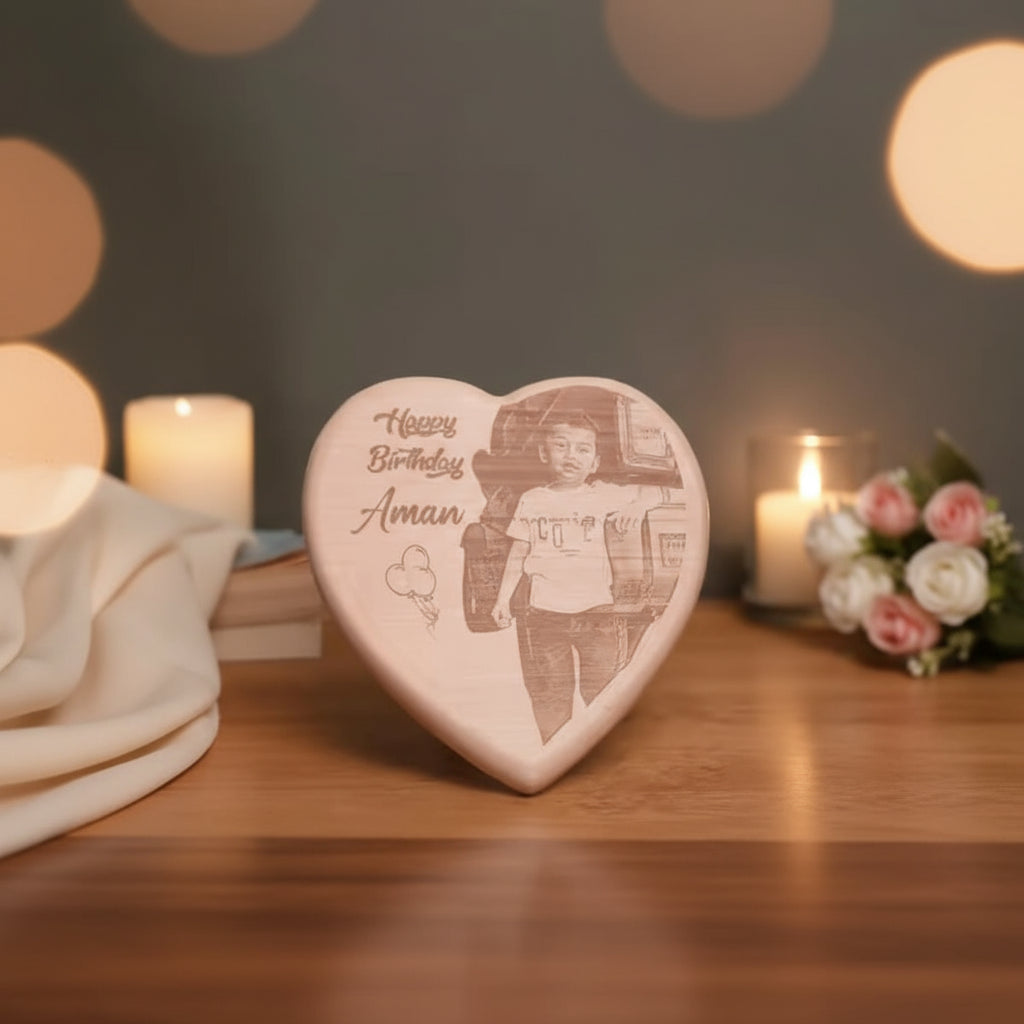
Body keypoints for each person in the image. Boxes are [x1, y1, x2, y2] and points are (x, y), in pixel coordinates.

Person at [491, 411, 669, 743]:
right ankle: (554, 752)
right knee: (549, 696)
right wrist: (502, 600)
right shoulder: (532, 500)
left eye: (583, 449)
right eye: (561, 446)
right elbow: (517, 555)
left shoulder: (604, 493)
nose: (572, 455)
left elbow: (657, 490)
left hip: (597, 614)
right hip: (544, 616)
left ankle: (600, 752)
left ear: (595, 462)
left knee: (604, 692)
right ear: (545, 453)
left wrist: (638, 506)